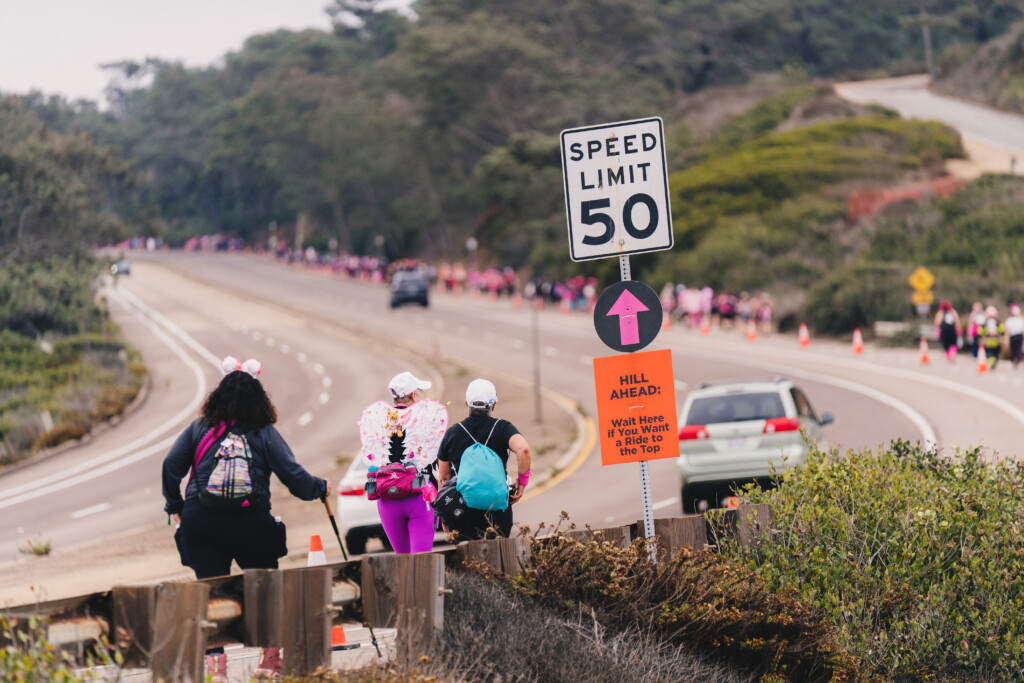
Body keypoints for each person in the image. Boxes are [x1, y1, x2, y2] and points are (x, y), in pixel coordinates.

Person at [162, 356, 330, 682]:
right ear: (259, 399)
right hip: (250, 522)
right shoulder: (264, 433)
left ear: (217, 398)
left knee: (210, 593)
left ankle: (215, 667)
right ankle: (269, 661)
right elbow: (293, 477)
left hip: (201, 521)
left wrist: (176, 505)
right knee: (264, 586)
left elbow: (171, 464)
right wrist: (319, 488)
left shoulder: (200, 428)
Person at [357, 371, 448, 553]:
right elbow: (439, 461)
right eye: (419, 392)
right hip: (420, 496)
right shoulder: (426, 420)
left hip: (387, 500)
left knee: (403, 563)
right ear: (414, 395)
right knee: (422, 562)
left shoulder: (378, 421)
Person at [437, 379, 532, 540]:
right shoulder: (503, 428)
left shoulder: (452, 433)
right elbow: (523, 450)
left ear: (467, 403)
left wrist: (445, 515)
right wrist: (522, 483)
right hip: (497, 511)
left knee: (468, 562)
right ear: (493, 405)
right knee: (499, 560)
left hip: (461, 512)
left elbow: (443, 478)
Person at [979, 305, 1005, 370]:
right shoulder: (985, 323)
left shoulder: (997, 323)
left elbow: (1002, 331)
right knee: (990, 354)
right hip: (988, 342)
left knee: (995, 354)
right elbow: (980, 332)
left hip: (995, 342)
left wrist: (1001, 339)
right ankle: (991, 363)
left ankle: (992, 363)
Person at [1005, 304, 1024, 368]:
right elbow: (1007, 330)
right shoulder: (1011, 320)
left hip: (1016, 336)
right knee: (1015, 350)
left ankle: (1016, 361)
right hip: (1015, 336)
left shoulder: (1019, 320)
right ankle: (1015, 360)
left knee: (1016, 350)